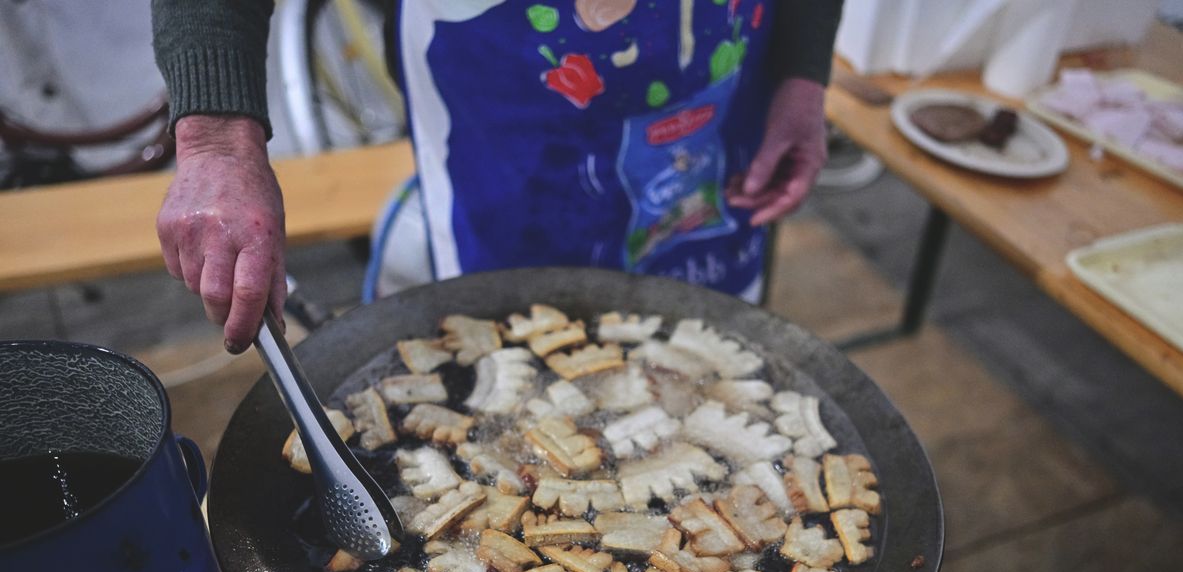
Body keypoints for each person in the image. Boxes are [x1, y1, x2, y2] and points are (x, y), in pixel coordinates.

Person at [151, 0, 844, 353]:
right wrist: (216, 140)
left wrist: (804, 70)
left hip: (717, 100)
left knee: (712, 353)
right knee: (509, 360)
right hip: (510, 102)